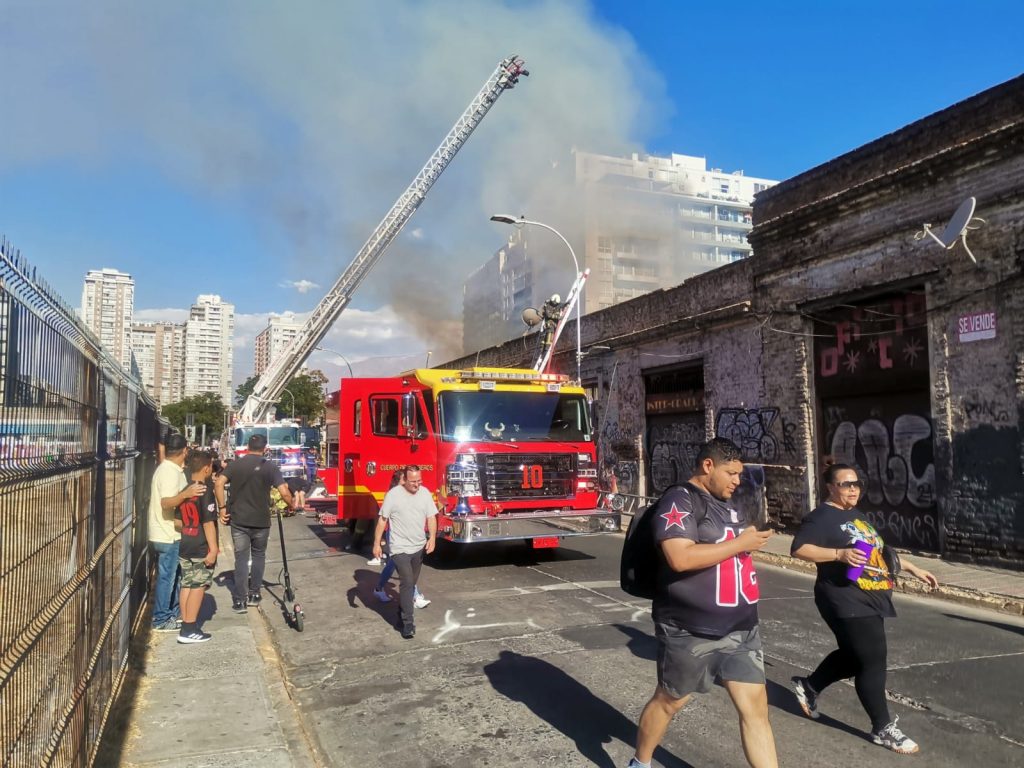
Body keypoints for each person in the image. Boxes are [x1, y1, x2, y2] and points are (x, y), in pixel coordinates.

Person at [626, 438, 777, 768]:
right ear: (708, 466)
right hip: (689, 630)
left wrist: (748, 540)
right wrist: (740, 543)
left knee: (755, 711)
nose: (737, 481)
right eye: (731, 473)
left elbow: (731, 549)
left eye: (740, 474)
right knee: (669, 702)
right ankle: (641, 762)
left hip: (741, 627)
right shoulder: (679, 500)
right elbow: (679, 558)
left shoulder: (729, 504)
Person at [790, 460, 938, 755]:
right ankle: (883, 728)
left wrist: (912, 568)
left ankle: (809, 686)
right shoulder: (821, 517)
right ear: (831, 487)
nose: (853, 489)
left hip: (869, 594)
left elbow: (878, 551)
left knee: (855, 656)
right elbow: (798, 548)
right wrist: (838, 553)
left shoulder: (856, 515)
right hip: (843, 597)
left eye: (856, 484)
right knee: (872, 659)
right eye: (846, 484)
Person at [214, 434, 294, 614]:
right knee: (258, 556)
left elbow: (219, 483)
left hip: (239, 520)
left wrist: (222, 508)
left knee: (241, 558)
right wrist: (292, 505)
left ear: (247, 447)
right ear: (265, 449)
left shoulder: (234, 465)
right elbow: (284, 492)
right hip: (261, 520)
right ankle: (254, 593)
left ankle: (240, 600)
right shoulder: (270, 467)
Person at [148, 433, 207, 632]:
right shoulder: (169, 472)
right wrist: (186, 494)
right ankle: (161, 618)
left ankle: (171, 613)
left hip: (169, 532)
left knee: (174, 577)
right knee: (168, 578)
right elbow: (166, 501)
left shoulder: (172, 469)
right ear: (184, 451)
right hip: (167, 533)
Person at [371, 465, 437, 639]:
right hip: (399, 547)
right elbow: (382, 520)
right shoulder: (393, 495)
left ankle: (402, 610)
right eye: (413, 481)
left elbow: (431, 517)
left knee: (411, 583)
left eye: (419, 480)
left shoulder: (424, 493)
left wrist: (432, 538)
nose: (417, 484)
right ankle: (408, 624)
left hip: (418, 547)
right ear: (405, 480)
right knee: (407, 582)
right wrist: (377, 544)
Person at [174, 451, 219, 644]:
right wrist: (214, 548)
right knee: (199, 585)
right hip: (201, 545)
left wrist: (189, 529)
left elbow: (177, 521)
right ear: (207, 468)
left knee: (187, 583)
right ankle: (190, 628)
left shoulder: (185, 490)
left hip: (186, 542)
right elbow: (209, 523)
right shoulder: (205, 491)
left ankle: (185, 621)